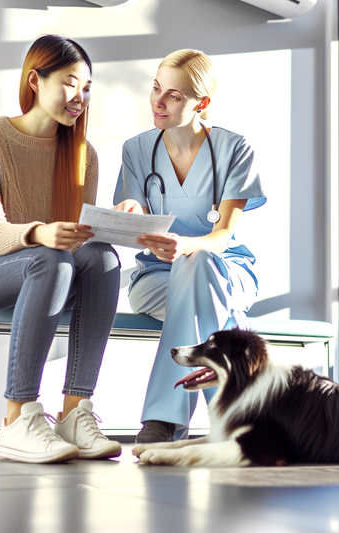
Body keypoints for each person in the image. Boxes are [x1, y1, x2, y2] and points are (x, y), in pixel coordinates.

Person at [113, 49, 266, 443]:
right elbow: (136, 226)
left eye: (174, 96)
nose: (158, 102)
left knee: (198, 263)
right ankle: (237, 418)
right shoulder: (136, 150)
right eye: (156, 88)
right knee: (202, 293)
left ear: (203, 103)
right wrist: (130, 212)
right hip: (155, 278)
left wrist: (186, 246)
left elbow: (224, 236)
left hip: (227, 269)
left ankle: (164, 420)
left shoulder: (235, 149)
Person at [0, 35, 122, 463]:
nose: (79, 97)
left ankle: (73, 411)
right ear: (35, 80)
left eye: (86, 88)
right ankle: (18, 418)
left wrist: (114, 221)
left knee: (101, 257)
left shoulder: (85, 155)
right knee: (48, 259)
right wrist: (39, 233)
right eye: (70, 83)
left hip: (51, 272)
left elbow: (77, 243)